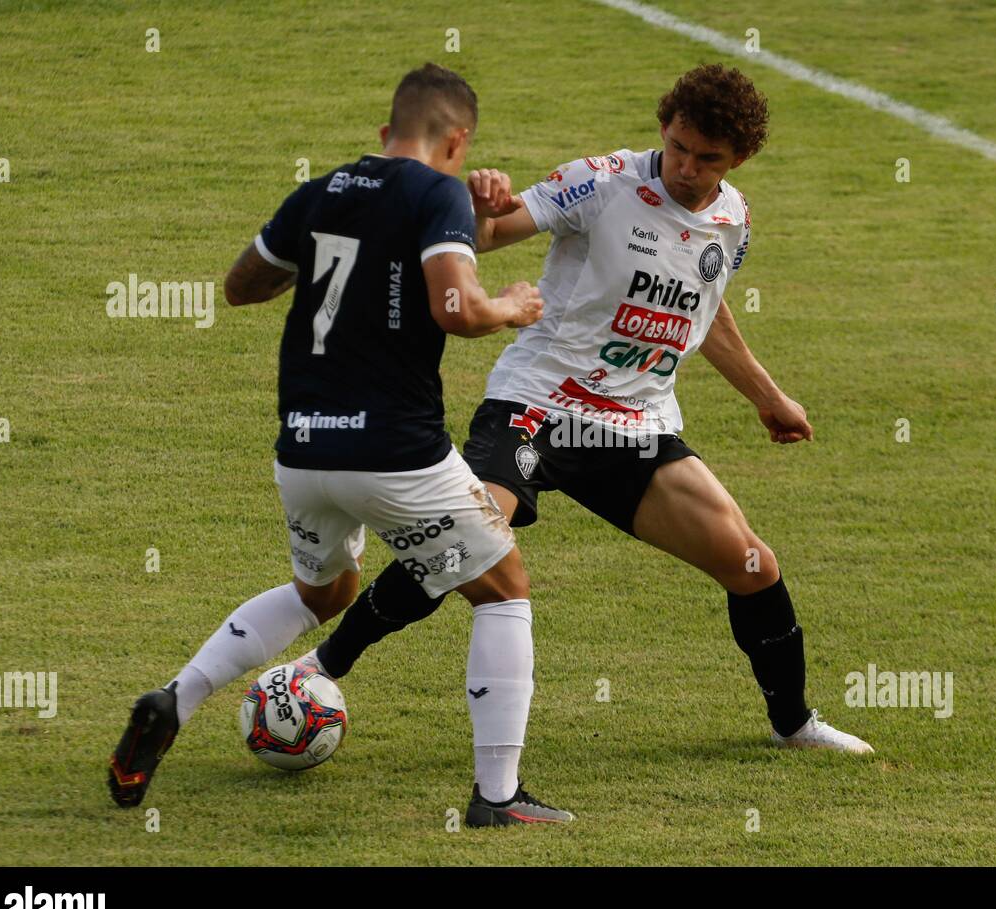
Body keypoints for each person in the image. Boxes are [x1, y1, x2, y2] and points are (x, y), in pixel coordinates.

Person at [314, 64, 874, 758]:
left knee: (752, 564)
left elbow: (706, 307)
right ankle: (321, 668)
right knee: (465, 540)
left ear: (738, 161)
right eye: (678, 147)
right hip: (537, 406)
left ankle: (793, 724)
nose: (688, 168)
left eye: (709, 160)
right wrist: (483, 204)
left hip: (636, 428)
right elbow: (489, 237)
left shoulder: (734, 219)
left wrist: (768, 396)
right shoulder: (602, 181)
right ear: (663, 129)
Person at [108, 63, 574, 826]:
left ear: (385, 129)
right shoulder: (438, 191)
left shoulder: (319, 191)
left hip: (304, 453)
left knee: (325, 593)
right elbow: (456, 306)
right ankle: (498, 798)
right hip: (396, 454)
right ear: (457, 141)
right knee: (502, 588)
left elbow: (243, 285)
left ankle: (173, 700)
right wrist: (512, 307)